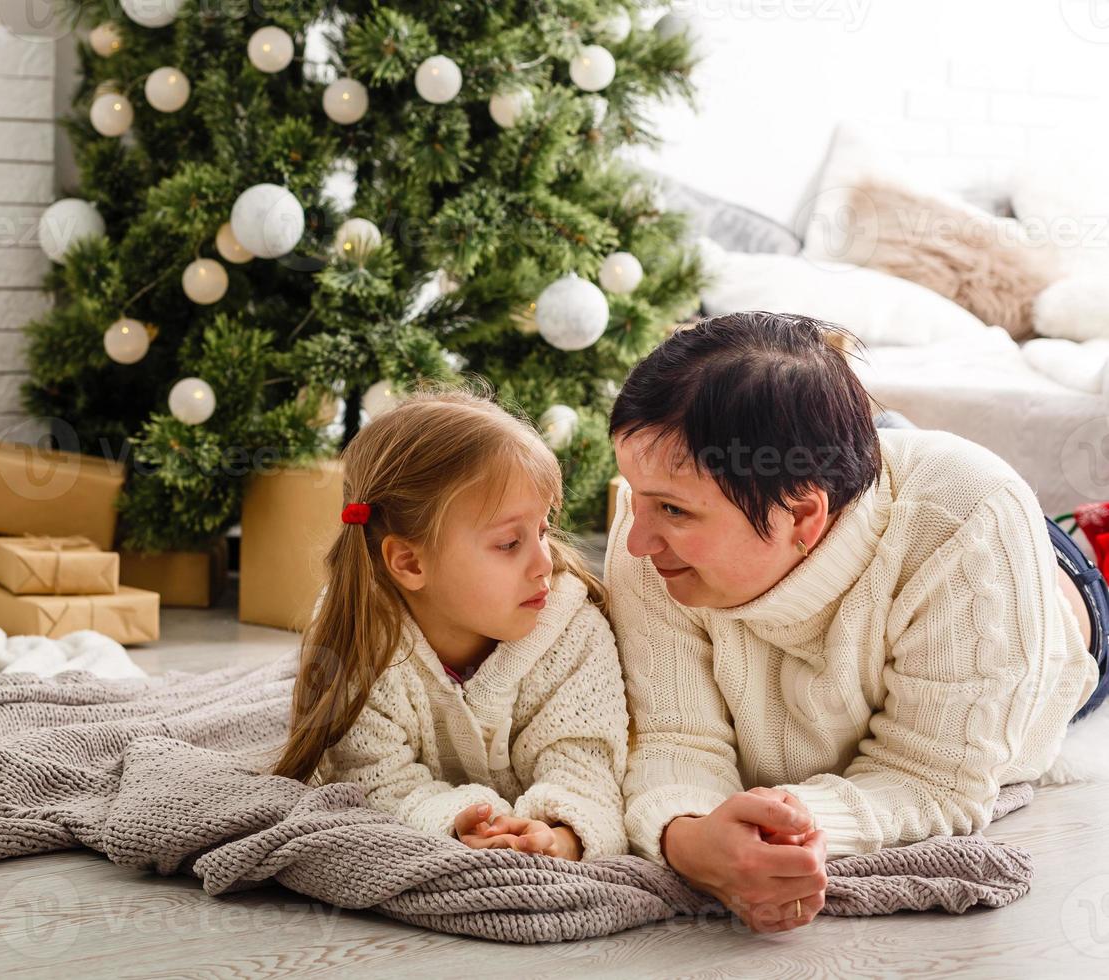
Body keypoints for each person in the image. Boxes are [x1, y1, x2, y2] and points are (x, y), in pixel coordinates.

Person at [605, 311, 1104, 932]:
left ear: (802, 515)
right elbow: (671, 737)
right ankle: (862, 435)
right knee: (813, 437)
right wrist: (686, 835)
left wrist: (789, 823)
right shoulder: (650, 528)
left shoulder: (971, 522)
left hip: (1050, 589)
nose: (635, 542)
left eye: (674, 509)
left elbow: (932, 779)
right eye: (635, 493)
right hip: (825, 493)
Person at [273, 388, 630, 861]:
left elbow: (587, 767)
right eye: (508, 544)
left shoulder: (573, 632)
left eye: (543, 530)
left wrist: (558, 833)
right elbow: (374, 781)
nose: (544, 562)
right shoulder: (360, 635)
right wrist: (459, 819)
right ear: (410, 562)